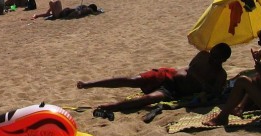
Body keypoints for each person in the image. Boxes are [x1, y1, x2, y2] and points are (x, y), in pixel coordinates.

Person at [78, 44, 232, 115]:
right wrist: (200, 79)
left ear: (223, 60)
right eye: (213, 54)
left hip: (174, 91)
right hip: (167, 75)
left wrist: (204, 86)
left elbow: (215, 94)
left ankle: (112, 106)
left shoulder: (220, 75)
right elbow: (191, 68)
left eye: (217, 58)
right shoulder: (203, 55)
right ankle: (89, 84)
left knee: (149, 99)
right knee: (133, 80)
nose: (213, 59)